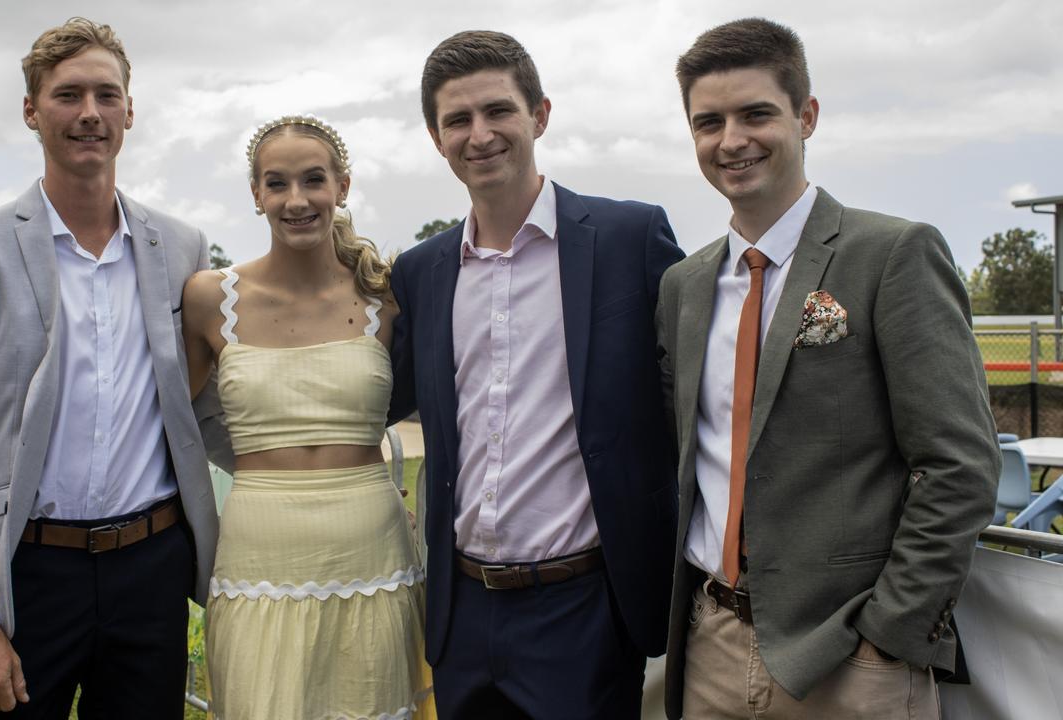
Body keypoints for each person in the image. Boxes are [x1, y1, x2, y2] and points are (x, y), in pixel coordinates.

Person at [656, 17, 1001, 719]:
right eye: (708, 122)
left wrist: (890, 636)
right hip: (709, 645)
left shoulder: (893, 255)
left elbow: (959, 464)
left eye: (757, 113)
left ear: (806, 116)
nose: (732, 141)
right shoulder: (683, 287)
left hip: (848, 659)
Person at [0, 17, 232, 718]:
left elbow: (202, 408)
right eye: (67, 96)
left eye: (106, 95)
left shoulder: (181, 247)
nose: (89, 113)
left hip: (152, 571)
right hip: (30, 574)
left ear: (129, 111)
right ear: (32, 111)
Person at [388, 30, 684, 718]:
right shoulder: (422, 271)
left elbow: (694, 387)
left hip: (583, 608)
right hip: (461, 612)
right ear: (436, 138)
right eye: (457, 120)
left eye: (499, 111)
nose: (480, 134)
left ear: (540, 115)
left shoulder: (628, 239)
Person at [181, 115, 432, 719]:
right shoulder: (207, 298)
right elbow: (179, 427)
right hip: (256, 552)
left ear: (342, 186)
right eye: (277, 183)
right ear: (256, 194)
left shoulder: (390, 296)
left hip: (371, 548)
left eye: (313, 180)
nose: (296, 200)